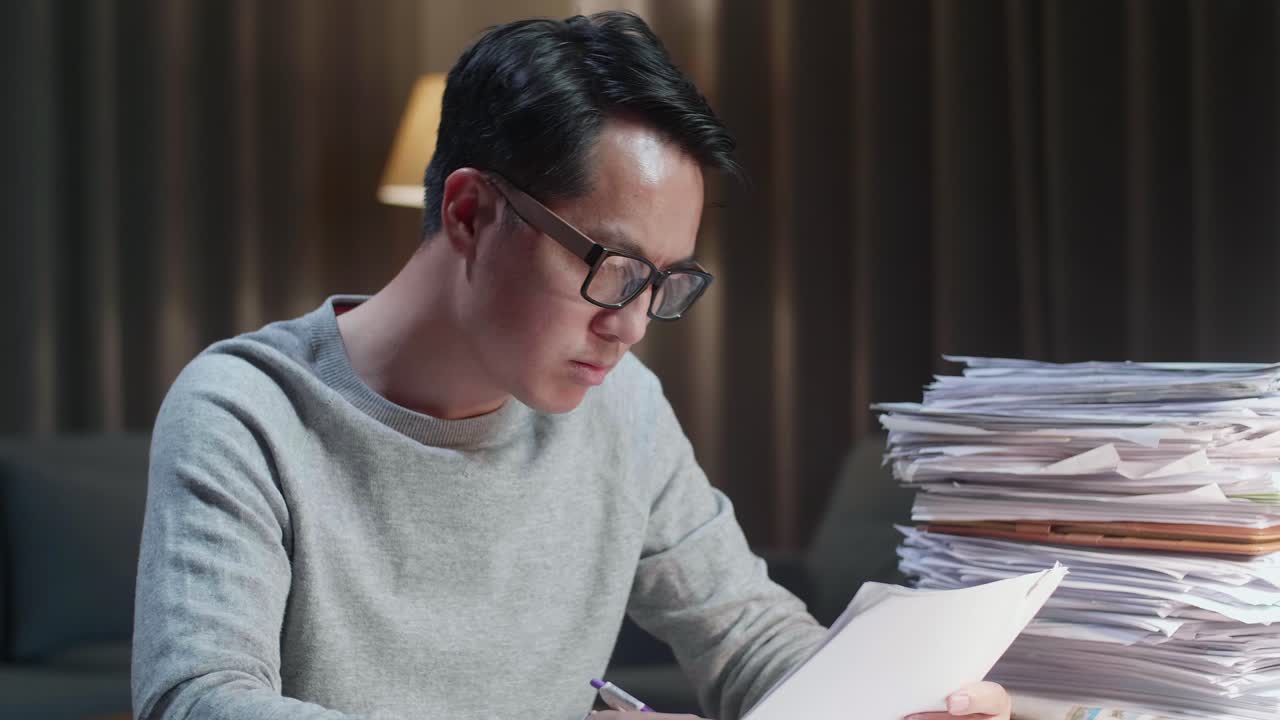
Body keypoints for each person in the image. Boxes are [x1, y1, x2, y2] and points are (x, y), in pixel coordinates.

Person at [131, 11, 1011, 720]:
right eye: (613, 269)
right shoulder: (246, 411)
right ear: (471, 213)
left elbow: (746, 636)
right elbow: (199, 699)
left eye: (664, 283)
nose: (632, 327)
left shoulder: (621, 407)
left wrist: (893, 704)